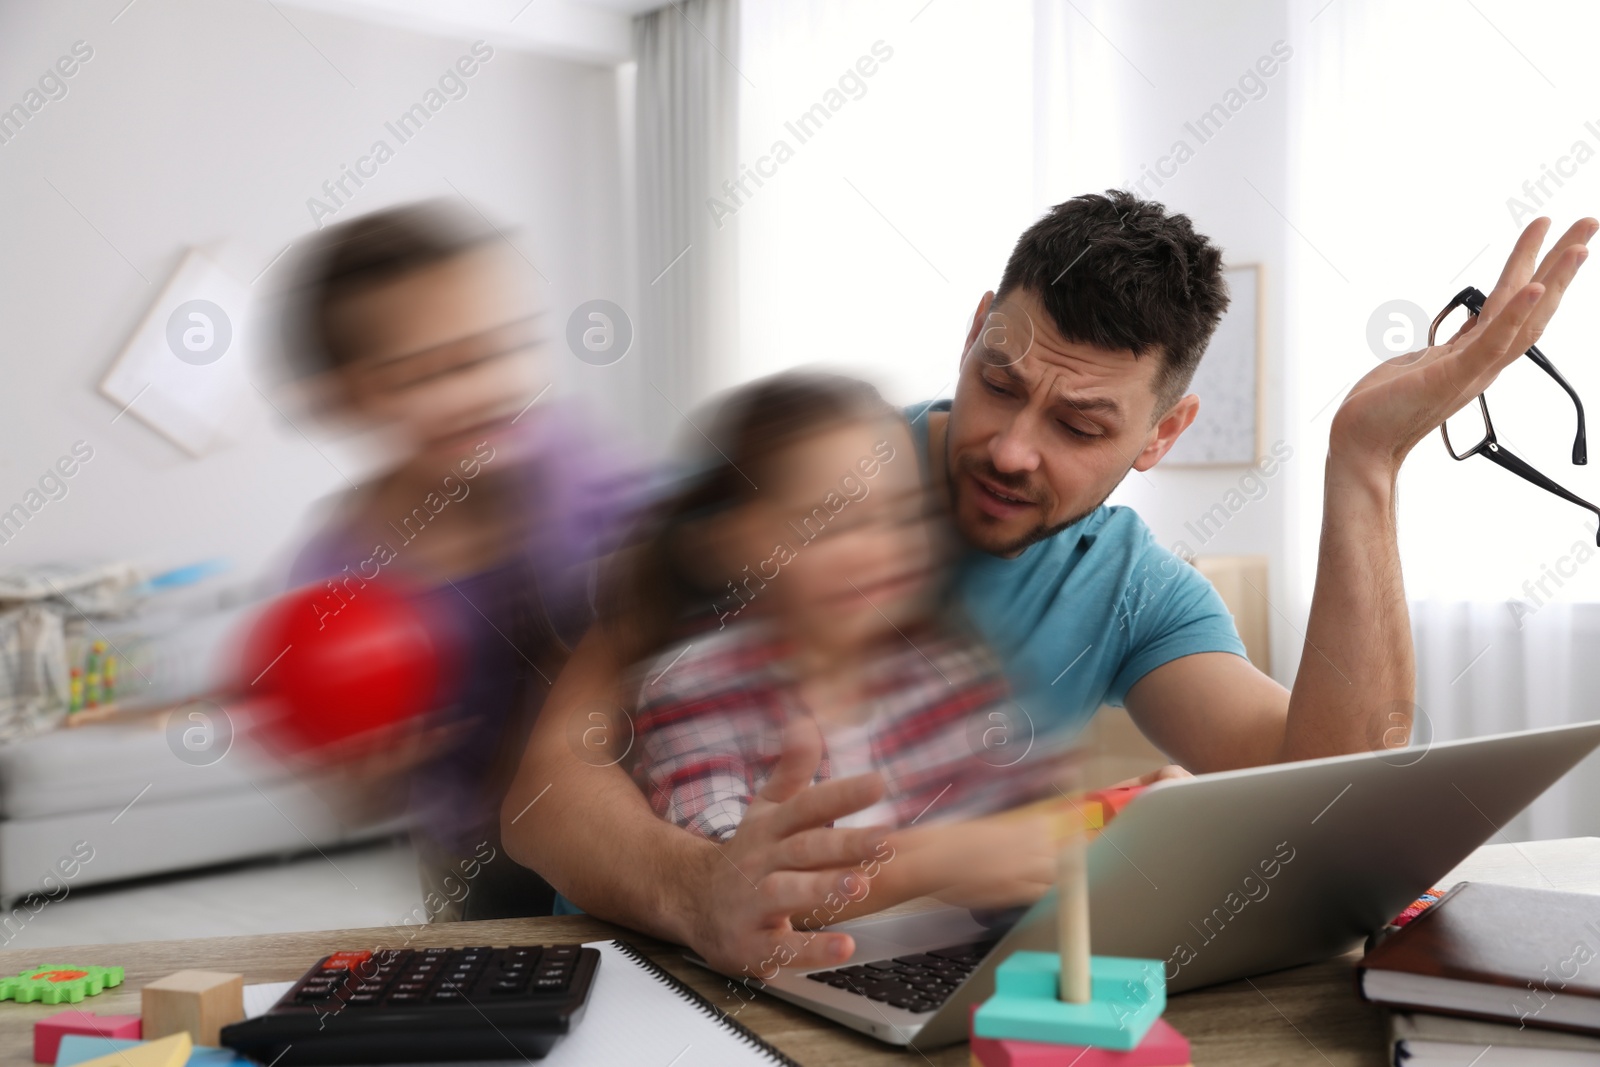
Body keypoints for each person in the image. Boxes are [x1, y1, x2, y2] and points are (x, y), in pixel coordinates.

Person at [500, 189, 1596, 974]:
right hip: (641, 975)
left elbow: (1330, 786)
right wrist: (698, 892)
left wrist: (1364, 466)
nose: (1013, 447)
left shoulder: (1127, 585)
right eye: (998, 382)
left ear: (1163, 434)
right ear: (976, 327)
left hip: (904, 985)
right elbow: (544, 794)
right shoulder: (780, 485)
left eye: (1078, 424)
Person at [275, 201, 645, 920]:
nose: (477, 394)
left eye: (495, 353)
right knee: (492, 1000)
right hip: (476, 853)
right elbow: (350, 796)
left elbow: (678, 557)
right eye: (423, 375)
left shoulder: (576, 469)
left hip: (620, 812)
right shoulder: (341, 567)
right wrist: (366, 776)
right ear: (346, 397)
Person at [616, 372, 1073, 920]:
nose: (880, 552)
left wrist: (1111, 816)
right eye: (833, 525)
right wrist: (936, 862)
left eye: (904, 516)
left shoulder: (941, 674)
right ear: (739, 543)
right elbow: (736, 891)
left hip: (913, 984)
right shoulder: (695, 689)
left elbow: (1029, 830)